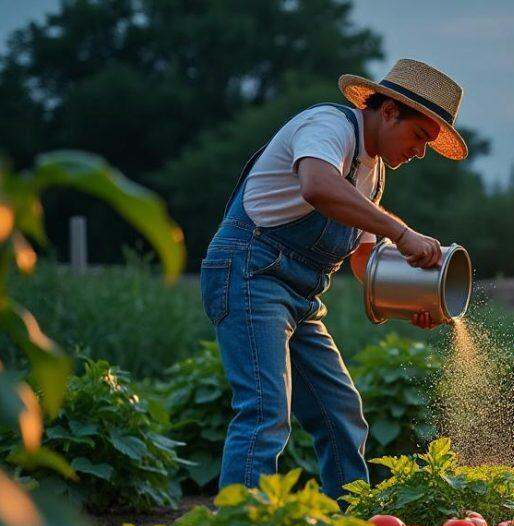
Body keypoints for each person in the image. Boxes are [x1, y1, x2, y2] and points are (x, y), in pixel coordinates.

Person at [198, 59, 469, 499]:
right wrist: (400, 232)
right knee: (265, 410)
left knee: (340, 410)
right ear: (388, 112)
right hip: (250, 272)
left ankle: (351, 522)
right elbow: (317, 186)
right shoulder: (329, 127)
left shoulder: (373, 174)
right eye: (419, 136)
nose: (419, 153)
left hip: (303, 295)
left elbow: (364, 260)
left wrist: (415, 302)